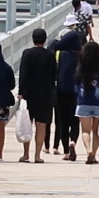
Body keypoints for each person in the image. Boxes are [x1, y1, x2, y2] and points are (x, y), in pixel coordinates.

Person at [18, 28, 57, 163]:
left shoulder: (27, 54)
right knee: (41, 125)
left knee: (27, 124)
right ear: (45, 40)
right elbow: (54, 75)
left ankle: (26, 154)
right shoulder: (50, 55)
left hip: (29, 94)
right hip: (46, 94)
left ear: (32, 39)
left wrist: (21, 92)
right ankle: (37, 155)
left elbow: (23, 74)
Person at [75, 42, 99, 164]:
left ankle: (88, 151)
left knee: (85, 131)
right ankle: (94, 154)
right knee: (96, 131)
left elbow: (76, 86)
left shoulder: (81, 68)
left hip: (83, 101)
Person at [54, 30, 83, 161]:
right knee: (75, 121)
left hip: (61, 92)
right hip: (76, 94)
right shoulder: (81, 56)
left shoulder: (61, 54)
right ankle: (73, 142)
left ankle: (66, 151)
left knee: (63, 123)